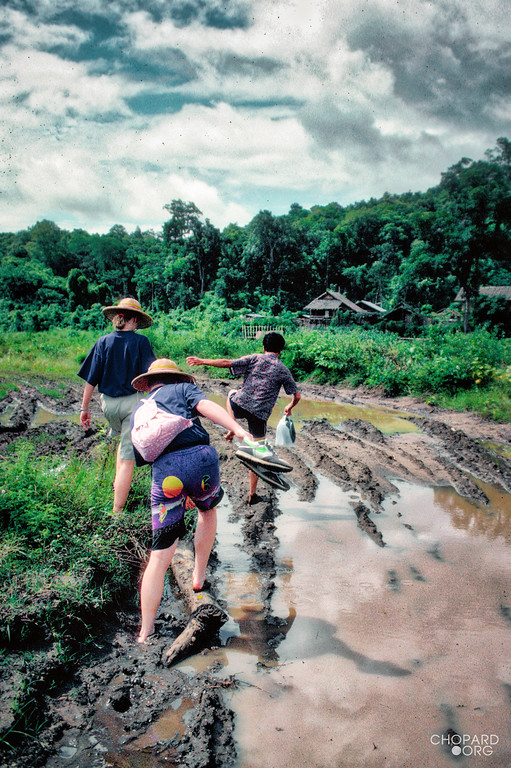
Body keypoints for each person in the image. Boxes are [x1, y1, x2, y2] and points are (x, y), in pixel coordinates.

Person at [130, 358, 252, 644]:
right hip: (201, 462)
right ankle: (198, 577)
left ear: (147, 384)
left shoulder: (141, 409)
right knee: (207, 511)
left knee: (159, 557)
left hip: (167, 476)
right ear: (176, 378)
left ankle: (145, 631)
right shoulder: (183, 388)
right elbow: (206, 408)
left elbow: (143, 455)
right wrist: (237, 429)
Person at [186, 331, 300, 504]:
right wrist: (289, 407)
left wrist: (202, 361)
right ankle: (252, 495)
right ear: (280, 351)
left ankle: (233, 429)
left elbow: (226, 363)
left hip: (240, 405)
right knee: (257, 452)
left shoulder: (255, 358)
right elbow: (297, 396)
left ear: (264, 348)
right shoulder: (283, 369)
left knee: (231, 393)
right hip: (259, 415)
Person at [78, 297, 156, 513]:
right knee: (127, 460)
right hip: (132, 404)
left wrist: (84, 409)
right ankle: (117, 513)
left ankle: (116, 486)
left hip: (108, 406)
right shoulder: (141, 342)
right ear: (133, 320)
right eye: (136, 322)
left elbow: (90, 380)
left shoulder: (103, 342)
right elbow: (151, 377)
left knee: (123, 445)